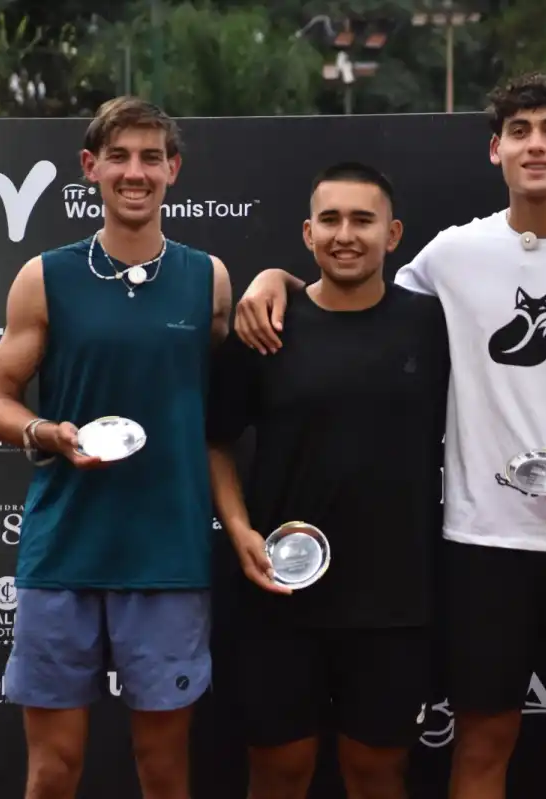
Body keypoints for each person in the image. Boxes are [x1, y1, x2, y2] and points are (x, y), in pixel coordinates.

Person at [231, 73, 546, 799]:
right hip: (482, 541)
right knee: (481, 743)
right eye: (519, 130)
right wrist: (275, 277)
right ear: (495, 149)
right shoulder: (451, 254)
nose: (534, 143)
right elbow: (350, 287)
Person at [0, 96, 232, 799]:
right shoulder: (44, 276)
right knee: (53, 771)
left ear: (173, 170)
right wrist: (43, 432)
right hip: (64, 552)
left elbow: (224, 399)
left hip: (168, 555)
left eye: (151, 156)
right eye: (118, 156)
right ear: (89, 168)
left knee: (163, 769)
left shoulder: (209, 278)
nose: (135, 171)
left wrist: (277, 278)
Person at [204, 161, 450, 799]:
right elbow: (215, 441)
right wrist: (238, 532)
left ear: (392, 235)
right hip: (279, 596)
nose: (347, 234)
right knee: (280, 774)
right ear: (308, 233)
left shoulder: (433, 325)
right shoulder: (266, 329)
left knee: (377, 776)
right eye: (332, 220)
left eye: (363, 220)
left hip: (395, 601)